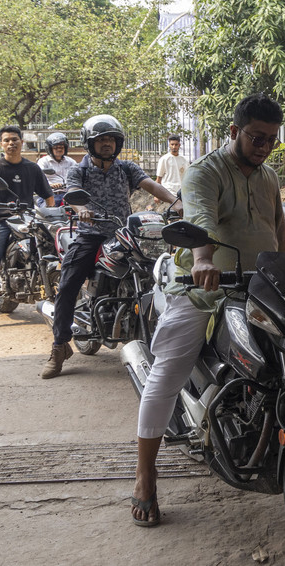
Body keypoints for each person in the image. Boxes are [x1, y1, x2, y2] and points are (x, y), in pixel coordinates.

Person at [130, 94, 285, 527]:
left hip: (260, 288)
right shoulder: (205, 171)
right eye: (257, 137)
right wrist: (203, 260)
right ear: (235, 132)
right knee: (168, 371)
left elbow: (279, 232)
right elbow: (200, 220)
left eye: (272, 140)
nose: (264, 147)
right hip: (204, 290)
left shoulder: (270, 176)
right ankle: (146, 474)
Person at [41, 116, 182, 379]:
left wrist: (176, 202)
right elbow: (73, 193)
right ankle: (60, 346)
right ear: (89, 143)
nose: (107, 144)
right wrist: (82, 211)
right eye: (101, 139)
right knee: (68, 285)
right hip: (90, 235)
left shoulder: (126, 168)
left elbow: (151, 185)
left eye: (111, 139)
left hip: (123, 234)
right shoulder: (79, 170)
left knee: (160, 272)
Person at [0, 125, 54, 333]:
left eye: (15, 139)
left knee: (53, 253)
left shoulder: (32, 168)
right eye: (6, 140)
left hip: (28, 220)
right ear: (2, 144)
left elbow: (48, 196)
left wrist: (51, 217)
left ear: (21, 142)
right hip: (1, 222)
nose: (11, 143)